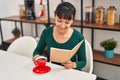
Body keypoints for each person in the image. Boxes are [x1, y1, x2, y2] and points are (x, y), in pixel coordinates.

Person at [33, 2, 86, 70]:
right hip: (52, 70)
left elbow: (83, 61)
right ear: (55, 16)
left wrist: (73, 65)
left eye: (67, 23)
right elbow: (37, 51)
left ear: (72, 21)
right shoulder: (46, 32)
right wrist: (36, 57)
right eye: (59, 21)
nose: (62, 26)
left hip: (70, 72)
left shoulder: (79, 37)